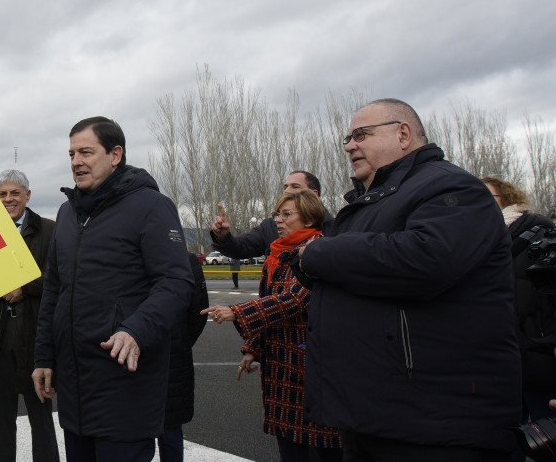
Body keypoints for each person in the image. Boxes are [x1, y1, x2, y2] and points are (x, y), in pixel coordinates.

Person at [294, 98, 519, 460]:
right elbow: (353, 273)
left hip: (435, 426)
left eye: (361, 134)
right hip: (377, 416)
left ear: (403, 134)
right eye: (348, 138)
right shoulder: (374, 199)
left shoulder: (451, 188)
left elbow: (424, 260)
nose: (350, 145)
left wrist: (320, 253)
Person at [32, 116, 194, 462]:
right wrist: (44, 356)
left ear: (115, 154)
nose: (76, 161)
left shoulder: (151, 206)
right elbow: (54, 290)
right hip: (75, 389)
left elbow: (176, 282)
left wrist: (136, 330)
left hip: (125, 385)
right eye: (72, 153)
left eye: (86, 152)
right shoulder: (66, 213)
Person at [201, 190, 342, 462]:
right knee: (290, 446)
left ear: (311, 218)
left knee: (325, 446)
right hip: (282, 367)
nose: (278, 220)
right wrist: (254, 347)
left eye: (287, 214)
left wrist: (236, 311)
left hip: (310, 366)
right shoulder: (279, 252)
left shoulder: (319, 250)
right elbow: (270, 304)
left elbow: (293, 300)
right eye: (278, 214)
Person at [0, 169, 60, 462]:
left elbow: (61, 278)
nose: (8, 199)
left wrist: (26, 288)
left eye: (15, 193)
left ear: (28, 196)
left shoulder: (49, 230)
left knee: (41, 416)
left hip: (34, 335)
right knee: (1, 418)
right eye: (2, 194)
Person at [483, 177, 556, 430]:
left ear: (507, 199)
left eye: (486, 197)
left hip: (539, 360)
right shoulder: (480, 242)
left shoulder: (539, 233)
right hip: (501, 365)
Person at [211, 171, 332, 261]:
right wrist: (223, 237)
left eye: (295, 186)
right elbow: (240, 248)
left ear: (314, 195)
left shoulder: (335, 229)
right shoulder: (270, 227)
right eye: (285, 187)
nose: (287, 191)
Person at [159, 252, 210, 462]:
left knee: (170, 430)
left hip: (173, 356)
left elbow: (199, 311)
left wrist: (181, 340)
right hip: (151, 353)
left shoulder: (186, 260)